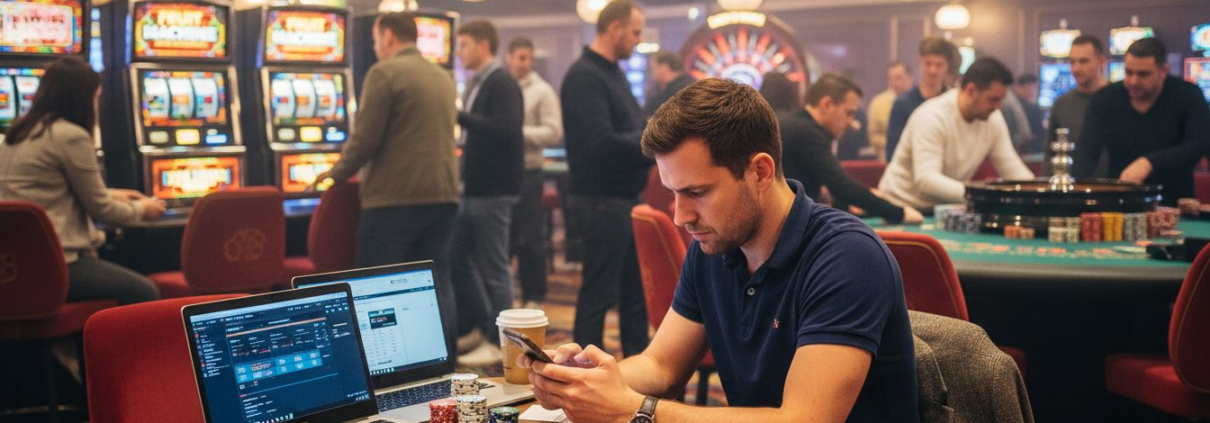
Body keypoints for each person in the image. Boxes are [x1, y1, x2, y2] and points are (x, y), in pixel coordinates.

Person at [520, 78, 919, 423]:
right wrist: (590, 380)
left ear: (760, 171)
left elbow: (803, 419)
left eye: (697, 192)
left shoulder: (847, 257)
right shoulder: (714, 245)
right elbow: (661, 365)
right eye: (674, 193)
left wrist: (635, 409)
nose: (680, 216)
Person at [313, 12, 459, 335]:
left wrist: (332, 175)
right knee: (436, 282)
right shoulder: (442, 76)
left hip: (396, 198)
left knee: (376, 286)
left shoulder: (384, 73)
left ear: (389, 36)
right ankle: (443, 360)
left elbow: (366, 140)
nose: (375, 46)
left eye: (375, 39)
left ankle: (382, 365)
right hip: (445, 194)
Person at [0, 57, 165, 305]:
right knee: (145, 291)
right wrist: (145, 209)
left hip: (13, 264)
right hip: (55, 264)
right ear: (82, 97)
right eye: (96, 97)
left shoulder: (19, 131)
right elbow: (104, 211)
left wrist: (114, 193)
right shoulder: (70, 136)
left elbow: (47, 190)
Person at [560, 0, 651, 357]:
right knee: (599, 294)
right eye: (635, 32)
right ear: (615, 29)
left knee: (634, 296)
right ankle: (581, 381)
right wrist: (650, 139)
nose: (638, 41)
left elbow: (626, 133)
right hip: (600, 201)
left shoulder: (611, 72)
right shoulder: (585, 76)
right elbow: (600, 146)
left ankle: (638, 379)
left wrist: (645, 135)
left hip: (623, 199)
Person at [450, 20, 524, 360]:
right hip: (474, 189)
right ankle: (483, 327)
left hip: (494, 190)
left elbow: (507, 130)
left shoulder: (502, 81)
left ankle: (502, 344)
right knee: (458, 260)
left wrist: (460, 117)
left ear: (483, 45)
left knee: (495, 269)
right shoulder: (480, 82)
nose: (459, 51)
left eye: (464, 44)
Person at [878, 57, 1035, 209]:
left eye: (1001, 100)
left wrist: (1039, 193)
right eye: (993, 99)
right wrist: (982, 195)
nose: (998, 106)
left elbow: (1011, 166)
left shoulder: (993, 118)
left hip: (942, 207)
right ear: (971, 90)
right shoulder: (932, 116)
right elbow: (926, 180)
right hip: (899, 206)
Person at [1073, 37, 1210, 205]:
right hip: (1121, 201)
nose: (1133, 81)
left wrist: (1149, 162)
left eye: (1143, 74)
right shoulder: (1105, 98)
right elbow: (1085, 156)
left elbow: (1198, 144)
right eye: (1129, 72)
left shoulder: (1188, 94)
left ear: (1164, 70)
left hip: (1176, 203)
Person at [779, 73, 923, 224]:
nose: (852, 123)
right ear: (826, 104)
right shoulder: (806, 132)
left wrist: (864, 198)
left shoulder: (797, 125)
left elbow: (832, 187)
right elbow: (841, 186)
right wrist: (899, 213)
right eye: (849, 113)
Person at [506, 37, 563, 310]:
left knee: (531, 236)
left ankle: (535, 295)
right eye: (519, 57)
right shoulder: (505, 88)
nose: (524, 63)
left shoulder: (542, 91)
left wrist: (515, 134)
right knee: (508, 237)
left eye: (527, 57)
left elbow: (554, 132)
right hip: (507, 173)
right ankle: (514, 295)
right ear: (509, 58)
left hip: (530, 172)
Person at [885, 37, 958, 163]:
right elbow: (893, 152)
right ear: (920, 61)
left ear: (947, 66)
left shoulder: (954, 102)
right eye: (928, 63)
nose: (932, 70)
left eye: (939, 65)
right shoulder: (902, 103)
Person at [1046, 35, 1109, 176]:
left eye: (1083, 61)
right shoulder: (1061, 104)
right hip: (1073, 191)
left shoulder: (1119, 99)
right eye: (1072, 62)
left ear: (1101, 61)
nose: (1076, 69)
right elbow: (1051, 155)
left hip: (1113, 189)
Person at [867, 62, 913, 162]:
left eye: (899, 78)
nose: (894, 82)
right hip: (888, 159)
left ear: (909, 78)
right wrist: (894, 142)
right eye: (891, 78)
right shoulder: (878, 103)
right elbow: (873, 136)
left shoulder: (919, 100)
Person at [643, 50, 695, 117]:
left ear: (664, 68)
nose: (652, 72)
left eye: (653, 68)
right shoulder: (659, 89)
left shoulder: (682, 92)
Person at [1013, 73, 1045, 154]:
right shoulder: (1032, 108)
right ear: (1020, 88)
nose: (1033, 90)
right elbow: (1040, 132)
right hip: (1032, 151)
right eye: (1032, 87)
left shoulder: (1012, 104)